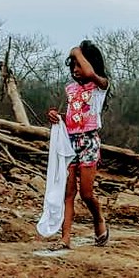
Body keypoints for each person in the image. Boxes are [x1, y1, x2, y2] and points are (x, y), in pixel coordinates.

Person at [46, 40, 110, 248]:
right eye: (73, 65)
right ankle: (65, 239)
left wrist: (76, 51)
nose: (76, 70)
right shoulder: (71, 89)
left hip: (89, 141)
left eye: (79, 65)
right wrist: (58, 117)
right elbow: (74, 117)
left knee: (87, 193)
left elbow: (91, 74)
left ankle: (98, 217)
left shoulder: (99, 86)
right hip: (70, 141)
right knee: (69, 192)